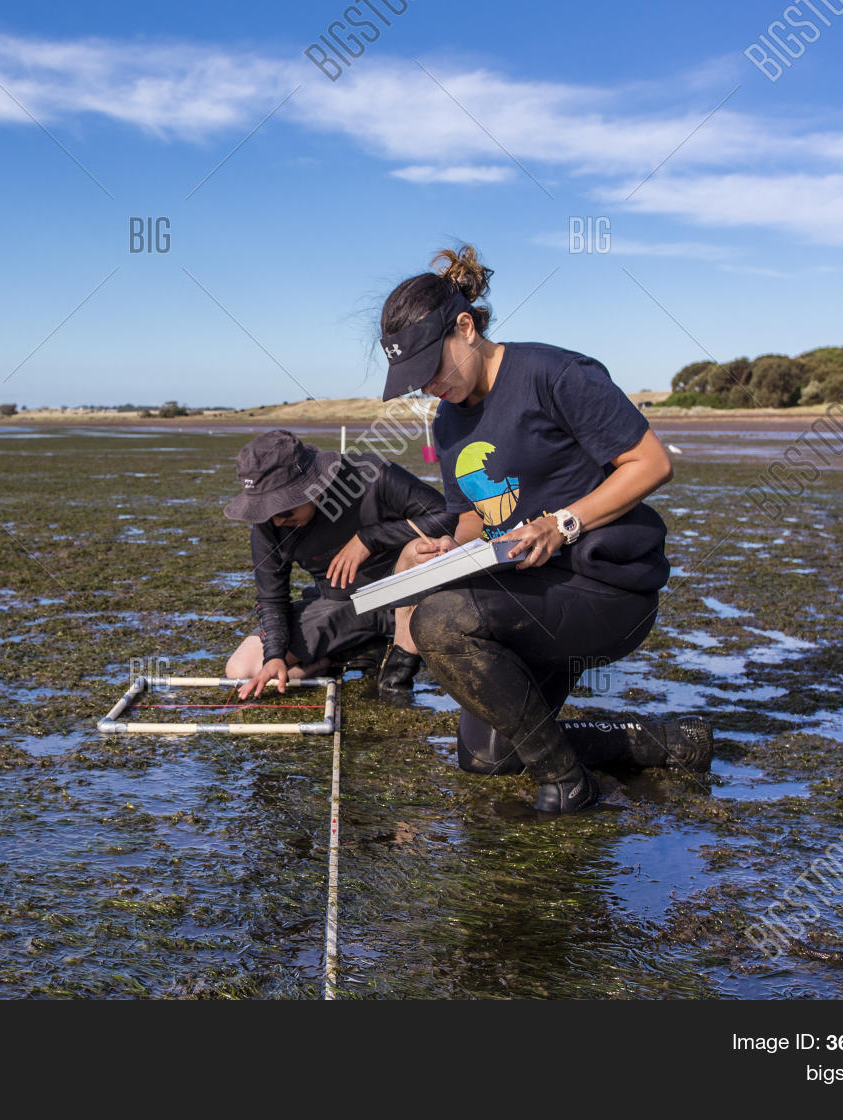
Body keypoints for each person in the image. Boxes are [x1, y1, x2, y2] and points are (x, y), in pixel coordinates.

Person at [377, 245, 711, 813]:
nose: (428, 386)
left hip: (604, 589)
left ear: (466, 327)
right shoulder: (449, 420)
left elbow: (652, 463)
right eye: (415, 380)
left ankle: (569, 784)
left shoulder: (556, 373)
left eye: (432, 368)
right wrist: (441, 548)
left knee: (441, 621)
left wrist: (562, 525)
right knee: (487, 758)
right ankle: (671, 742)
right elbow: (472, 517)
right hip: (526, 595)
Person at [222, 429, 457, 701]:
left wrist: (371, 538)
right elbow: (272, 597)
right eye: (266, 512)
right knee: (242, 671)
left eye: (283, 510)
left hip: (407, 600)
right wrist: (274, 655)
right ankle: (338, 657)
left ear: (313, 486)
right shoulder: (270, 525)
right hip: (344, 606)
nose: (276, 522)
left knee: (425, 549)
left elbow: (448, 516)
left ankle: (401, 653)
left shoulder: (371, 474)